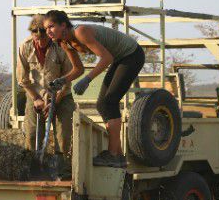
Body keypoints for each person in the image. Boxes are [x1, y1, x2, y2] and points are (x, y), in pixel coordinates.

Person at [44, 10, 145, 168]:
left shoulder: (80, 32)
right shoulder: (64, 42)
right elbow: (78, 69)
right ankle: (118, 155)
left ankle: (112, 155)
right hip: (119, 58)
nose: (48, 31)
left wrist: (87, 80)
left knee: (109, 102)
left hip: (132, 55)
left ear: (63, 25)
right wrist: (63, 80)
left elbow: (107, 58)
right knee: (102, 105)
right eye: (46, 28)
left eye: (51, 26)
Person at [17, 14, 75, 157]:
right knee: (32, 134)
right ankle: (32, 167)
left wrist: (55, 101)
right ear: (32, 35)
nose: (41, 41)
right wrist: (36, 98)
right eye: (37, 38)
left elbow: (68, 79)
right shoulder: (25, 46)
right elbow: (22, 80)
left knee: (63, 137)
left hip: (61, 95)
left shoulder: (61, 46)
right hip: (36, 94)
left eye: (44, 38)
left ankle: (62, 171)